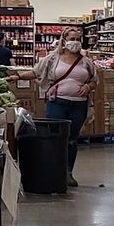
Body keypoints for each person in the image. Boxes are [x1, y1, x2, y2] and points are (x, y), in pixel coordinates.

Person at [32, 33, 97, 187]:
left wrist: (88, 87)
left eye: (77, 39)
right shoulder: (52, 59)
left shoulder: (86, 62)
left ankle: (68, 173)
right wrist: (17, 77)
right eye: (72, 39)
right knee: (54, 137)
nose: (75, 42)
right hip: (57, 103)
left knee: (72, 139)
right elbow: (36, 72)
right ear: (64, 41)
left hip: (79, 105)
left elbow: (94, 81)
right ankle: (53, 172)